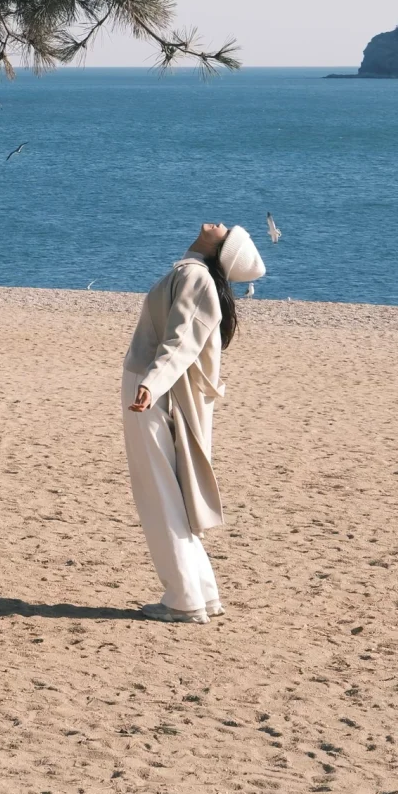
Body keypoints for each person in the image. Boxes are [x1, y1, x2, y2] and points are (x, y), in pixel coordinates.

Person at [122, 221, 266, 624]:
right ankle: (202, 594)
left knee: (160, 494)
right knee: (167, 492)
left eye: (227, 232)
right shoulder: (193, 273)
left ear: (222, 251)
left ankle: (184, 600)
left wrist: (151, 384)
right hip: (155, 387)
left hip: (152, 389)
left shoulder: (195, 277)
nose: (220, 225)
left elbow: (182, 341)